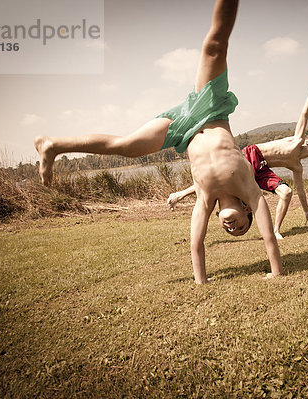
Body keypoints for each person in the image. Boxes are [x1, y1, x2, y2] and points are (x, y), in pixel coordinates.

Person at [34, 0, 283, 284]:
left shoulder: (205, 197)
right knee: (215, 45)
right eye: (240, 227)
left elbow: (196, 245)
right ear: (247, 210)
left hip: (181, 131)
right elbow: (268, 235)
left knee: (126, 146)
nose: (232, 229)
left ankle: (53, 145)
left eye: (229, 232)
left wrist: (201, 282)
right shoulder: (248, 186)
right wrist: (276, 272)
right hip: (209, 110)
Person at [167, 69, 308, 239]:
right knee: (221, 179)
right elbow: (305, 114)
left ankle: (275, 231)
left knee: (287, 192)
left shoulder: (297, 166)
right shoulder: (297, 141)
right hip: (253, 155)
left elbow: (301, 192)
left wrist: (306, 210)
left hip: (262, 169)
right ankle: (179, 195)